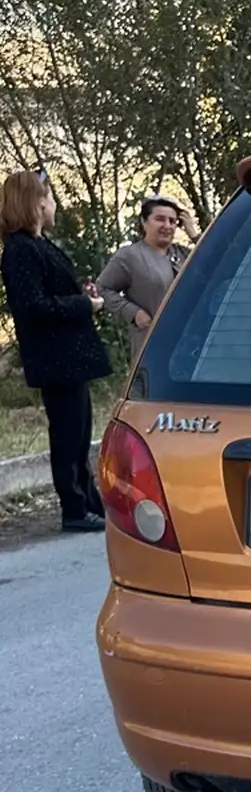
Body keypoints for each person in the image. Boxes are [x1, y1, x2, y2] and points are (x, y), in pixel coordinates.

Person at [0, 169, 112, 533]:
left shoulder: (40, 245)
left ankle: (90, 502)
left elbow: (53, 293)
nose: (53, 205)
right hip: (55, 359)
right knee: (67, 436)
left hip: (69, 357)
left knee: (79, 435)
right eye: (47, 198)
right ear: (33, 203)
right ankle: (74, 508)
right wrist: (84, 306)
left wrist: (82, 294)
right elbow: (34, 306)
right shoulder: (19, 251)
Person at [97, 194, 198, 349]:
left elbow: (223, 263)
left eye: (173, 221)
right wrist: (133, 312)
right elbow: (102, 289)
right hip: (152, 346)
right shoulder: (130, 256)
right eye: (160, 219)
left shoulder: (186, 254)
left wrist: (194, 234)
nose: (167, 225)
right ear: (144, 222)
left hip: (191, 344)